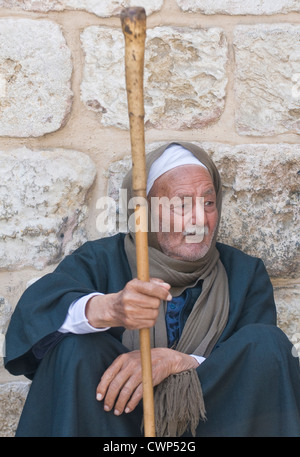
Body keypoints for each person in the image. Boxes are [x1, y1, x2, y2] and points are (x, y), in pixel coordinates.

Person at [4, 142, 300, 437]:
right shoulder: (102, 259)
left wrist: (177, 362)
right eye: (182, 203)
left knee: (267, 342)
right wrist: (109, 308)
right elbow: (34, 317)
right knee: (74, 345)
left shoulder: (244, 274)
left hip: (214, 423)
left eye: (208, 203)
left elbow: (261, 373)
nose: (199, 219)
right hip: (114, 424)